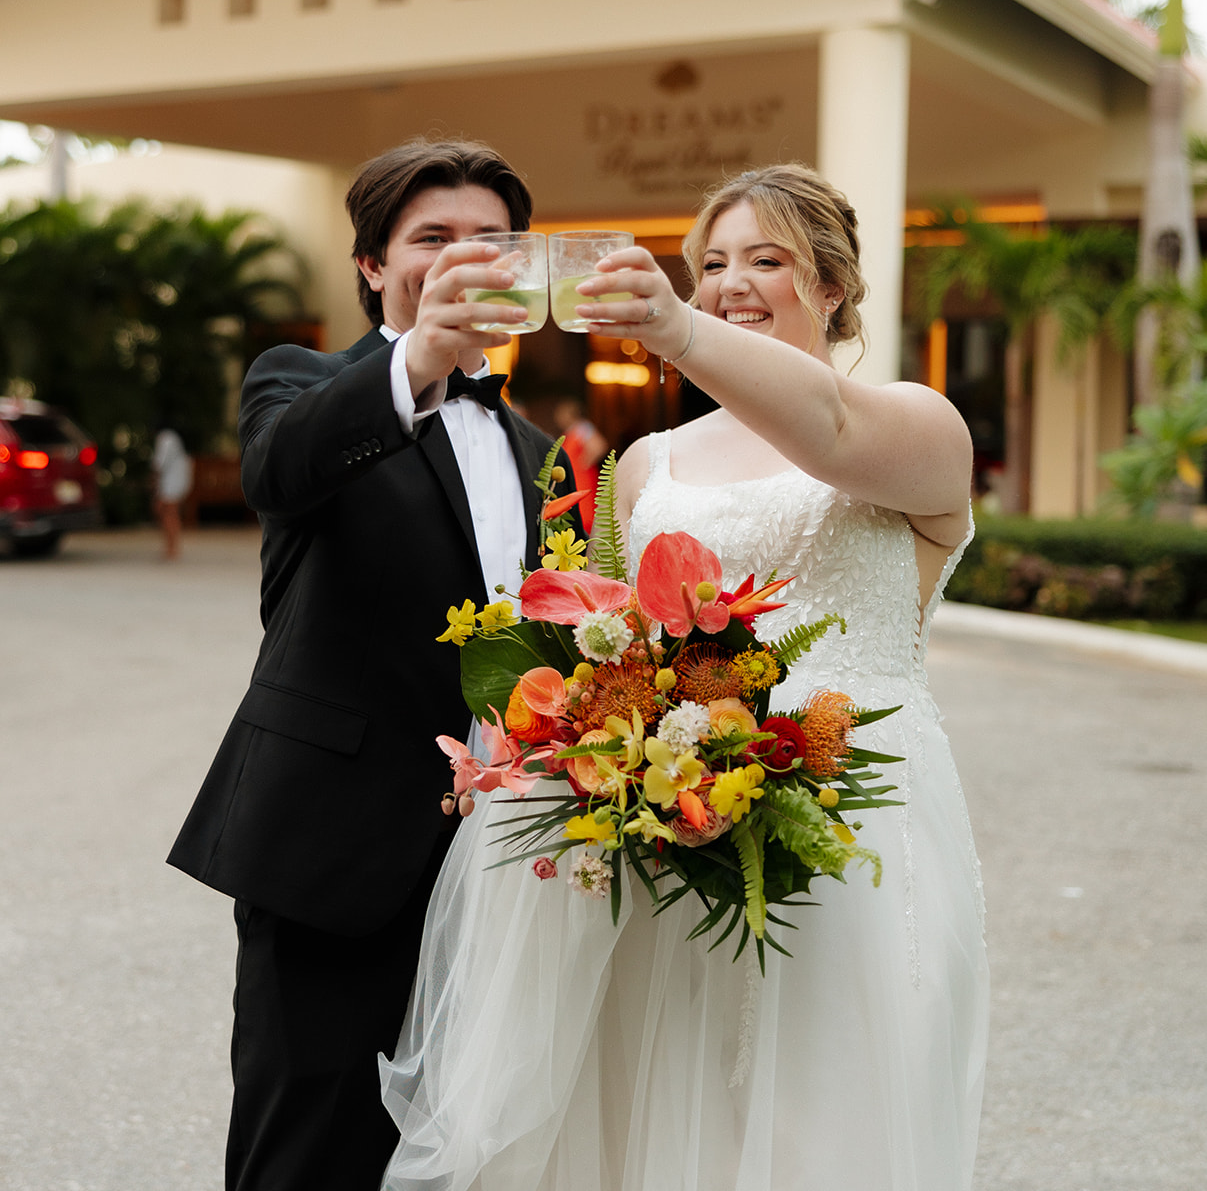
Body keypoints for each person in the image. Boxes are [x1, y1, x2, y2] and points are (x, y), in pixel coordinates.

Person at [380, 163, 989, 1191]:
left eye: (765, 259)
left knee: (821, 1114)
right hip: (667, 826)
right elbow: (608, 636)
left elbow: (826, 433)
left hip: (853, 824)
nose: (728, 281)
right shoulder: (649, 464)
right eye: (709, 263)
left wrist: (676, 331)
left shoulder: (919, 424)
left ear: (832, 285)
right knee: (654, 1112)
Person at [167, 138, 577, 1191]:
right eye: (431, 236)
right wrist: (421, 360)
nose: (461, 256)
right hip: (330, 843)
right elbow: (276, 469)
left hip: (497, 863)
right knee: (304, 1144)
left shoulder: (541, 452)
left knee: (459, 1140)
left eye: (488, 239)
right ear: (370, 267)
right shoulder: (303, 383)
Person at [552, 395, 607, 530]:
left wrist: (584, 462)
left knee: (586, 514)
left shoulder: (583, 428)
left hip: (582, 479)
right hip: (574, 480)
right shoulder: (571, 431)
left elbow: (599, 445)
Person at [151, 425, 193, 559]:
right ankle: (171, 546)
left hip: (171, 481)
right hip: (175, 479)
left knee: (169, 512)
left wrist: (154, 482)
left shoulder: (166, 437)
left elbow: (159, 462)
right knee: (169, 512)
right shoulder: (175, 438)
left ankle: (172, 547)